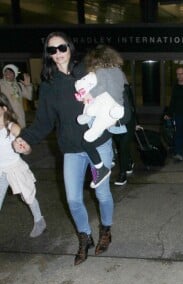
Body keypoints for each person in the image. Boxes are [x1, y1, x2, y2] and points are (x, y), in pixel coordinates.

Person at [13, 32, 114, 266]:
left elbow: (111, 98)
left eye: (61, 48)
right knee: (73, 199)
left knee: (102, 193)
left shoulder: (88, 72)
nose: (57, 54)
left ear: (69, 47)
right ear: (47, 54)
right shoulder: (49, 84)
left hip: (98, 145)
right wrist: (26, 138)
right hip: (71, 148)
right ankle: (85, 237)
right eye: (51, 50)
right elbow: (44, 121)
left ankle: (106, 229)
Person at [74, 45, 127, 188]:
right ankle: (109, 160)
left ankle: (101, 168)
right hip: (112, 109)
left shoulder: (102, 71)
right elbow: (122, 89)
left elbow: (101, 87)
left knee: (87, 140)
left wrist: (87, 95)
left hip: (107, 110)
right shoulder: (118, 72)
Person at [0, 92, 46, 238]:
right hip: (0, 170)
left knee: (28, 197)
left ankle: (39, 221)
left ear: (4, 108)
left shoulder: (12, 128)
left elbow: (27, 149)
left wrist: (23, 148)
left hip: (15, 168)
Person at [113, 83, 136, 186]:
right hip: (113, 123)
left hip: (127, 123)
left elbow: (132, 107)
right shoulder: (103, 89)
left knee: (123, 147)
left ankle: (123, 175)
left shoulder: (125, 88)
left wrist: (137, 123)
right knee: (120, 145)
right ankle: (129, 161)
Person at [0, 64, 33, 128]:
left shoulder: (19, 85)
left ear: (14, 74)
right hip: (6, 116)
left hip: (19, 117)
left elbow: (30, 97)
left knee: (19, 135)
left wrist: (28, 86)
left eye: (10, 72)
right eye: (5, 72)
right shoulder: (1, 84)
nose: (7, 74)